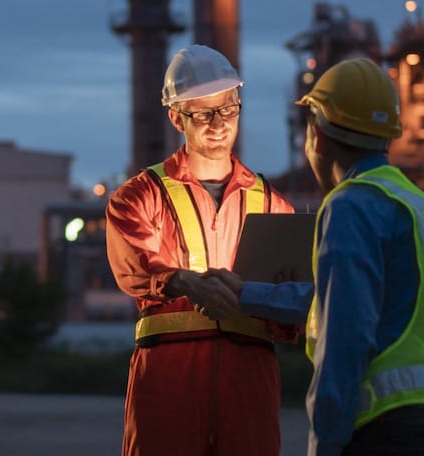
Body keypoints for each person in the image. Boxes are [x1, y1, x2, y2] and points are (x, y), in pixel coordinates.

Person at [206, 57, 424, 456]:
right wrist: (243, 294)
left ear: (318, 134)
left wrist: (324, 442)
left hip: (384, 429)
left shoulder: (351, 205)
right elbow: (336, 301)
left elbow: (345, 337)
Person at [105, 44, 297, 456]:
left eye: (227, 110)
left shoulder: (274, 204)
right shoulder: (138, 197)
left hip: (249, 373)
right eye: (203, 114)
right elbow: (135, 265)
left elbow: (294, 302)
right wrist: (186, 282)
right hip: (170, 372)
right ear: (176, 117)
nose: (218, 124)